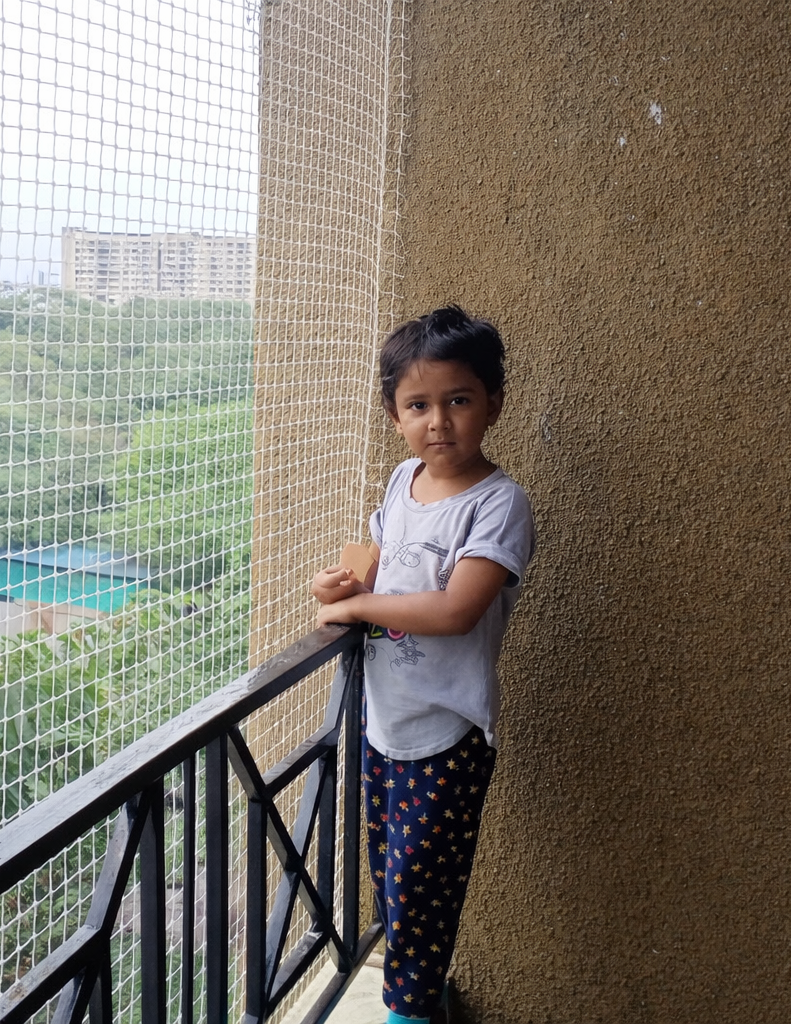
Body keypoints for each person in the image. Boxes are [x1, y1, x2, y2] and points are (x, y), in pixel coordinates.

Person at [310, 305, 534, 1024]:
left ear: (493, 403)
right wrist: (338, 590)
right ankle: (420, 997)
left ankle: (407, 1013)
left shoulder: (500, 504)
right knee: (395, 884)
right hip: (384, 724)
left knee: (423, 891)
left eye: (458, 400)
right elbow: (374, 574)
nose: (438, 421)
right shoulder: (403, 481)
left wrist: (359, 612)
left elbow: (455, 610)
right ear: (393, 414)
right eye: (418, 405)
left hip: (448, 735)